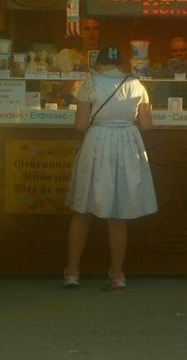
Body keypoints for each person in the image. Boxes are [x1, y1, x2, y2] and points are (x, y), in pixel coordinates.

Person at [62, 44, 156, 290]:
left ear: (99, 64)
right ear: (121, 65)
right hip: (127, 143)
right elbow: (147, 124)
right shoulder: (136, 85)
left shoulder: (90, 83)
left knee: (82, 210)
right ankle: (117, 275)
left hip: (97, 142)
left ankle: (72, 272)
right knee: (118, 212)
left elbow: (80, 125)